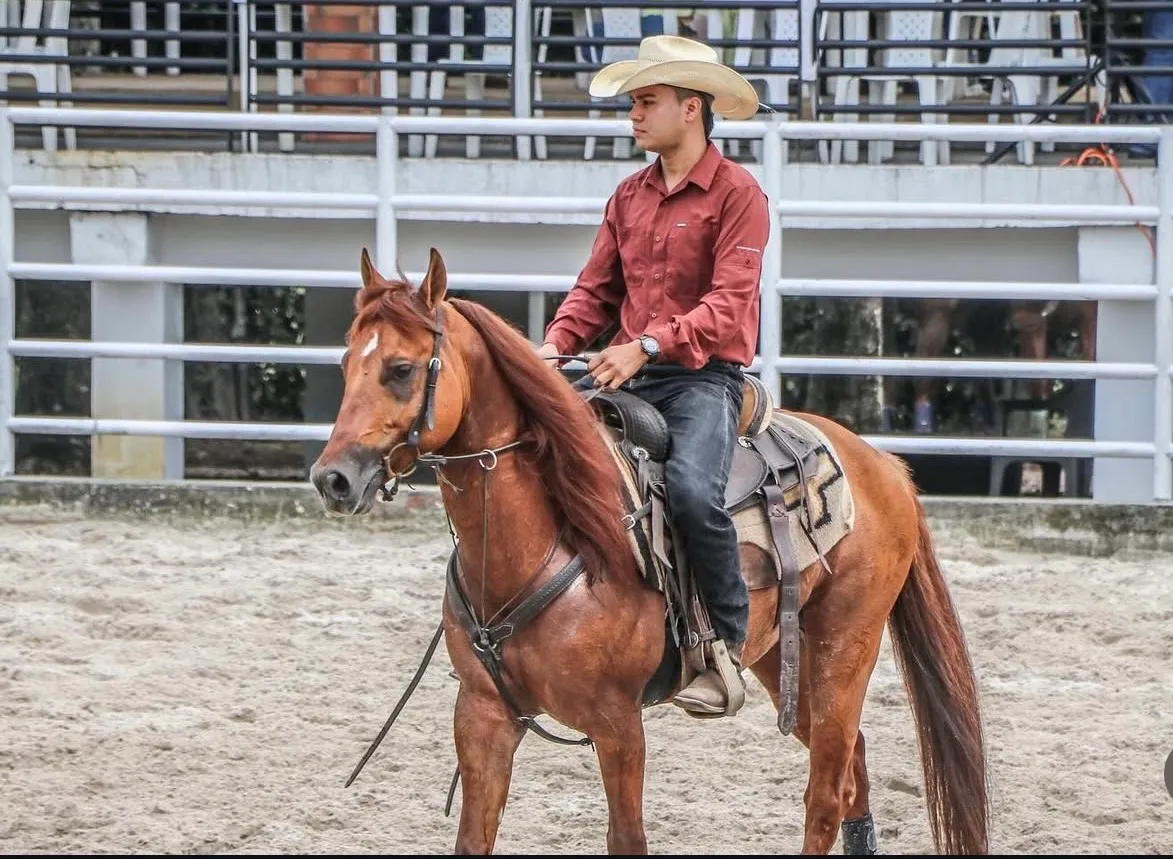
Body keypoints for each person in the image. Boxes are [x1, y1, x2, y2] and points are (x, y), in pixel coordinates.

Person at [535, 35, 770, 718]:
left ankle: (724, 648)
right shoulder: (627, 196)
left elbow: (729, 302)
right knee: (538, 463)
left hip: (701, 379)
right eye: (634, 104)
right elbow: (594, 290)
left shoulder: (738, 195)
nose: (633, 116)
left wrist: (646, 341)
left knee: (695, 493)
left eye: (647, 103)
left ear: (690, 109)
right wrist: (555, 344)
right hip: (625, 373)